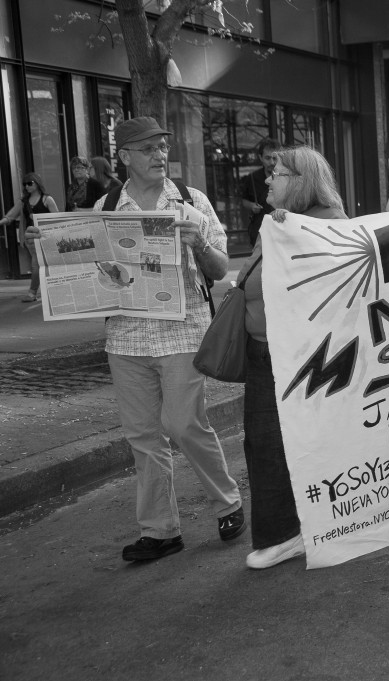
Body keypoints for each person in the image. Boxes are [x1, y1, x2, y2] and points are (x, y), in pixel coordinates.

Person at [28, 116, 244, 562]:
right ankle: (161, 531)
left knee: (185, 425)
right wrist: (46, 245)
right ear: (125, 157)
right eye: (148, 149)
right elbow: (85, 267)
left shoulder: (190, 201)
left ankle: (228, 502)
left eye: (162, 147)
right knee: (143, 436)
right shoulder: (106, 207)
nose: (160, 155)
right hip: (125, 339)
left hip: (183, 332)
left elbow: (222, 270)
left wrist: (199, 243)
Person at [240, 145, 348, 569]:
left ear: (299, 182)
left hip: (300, 355)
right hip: (262, 350)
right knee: (263, 442)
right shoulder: (276, 223)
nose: (268, 180)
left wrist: (297, 235)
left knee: (280, 443)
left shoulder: (329, 225)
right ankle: (291, 530)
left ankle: (286, 535)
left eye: (277, 173)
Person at [0, 173, 59, 302]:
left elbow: (57, 218)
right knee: (37, 264)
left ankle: (33, 293)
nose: (27, 186)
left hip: (46, 237)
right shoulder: (23, 201)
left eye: (30, 183)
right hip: (30, 239)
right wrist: (2, 221)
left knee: (38, 265)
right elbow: (10, 216)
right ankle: (40, 292)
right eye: (24, 184)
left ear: (37, 183)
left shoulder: (47, 199)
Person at [240, 137, 282, 247]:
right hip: (260, 229)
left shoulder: (286, 176)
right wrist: (252, 206)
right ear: (260, 157)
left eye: (275, 158)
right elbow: (244, 200)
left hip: (281, 228)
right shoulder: (253, 178)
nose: (272, 162)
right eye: (268, 158)